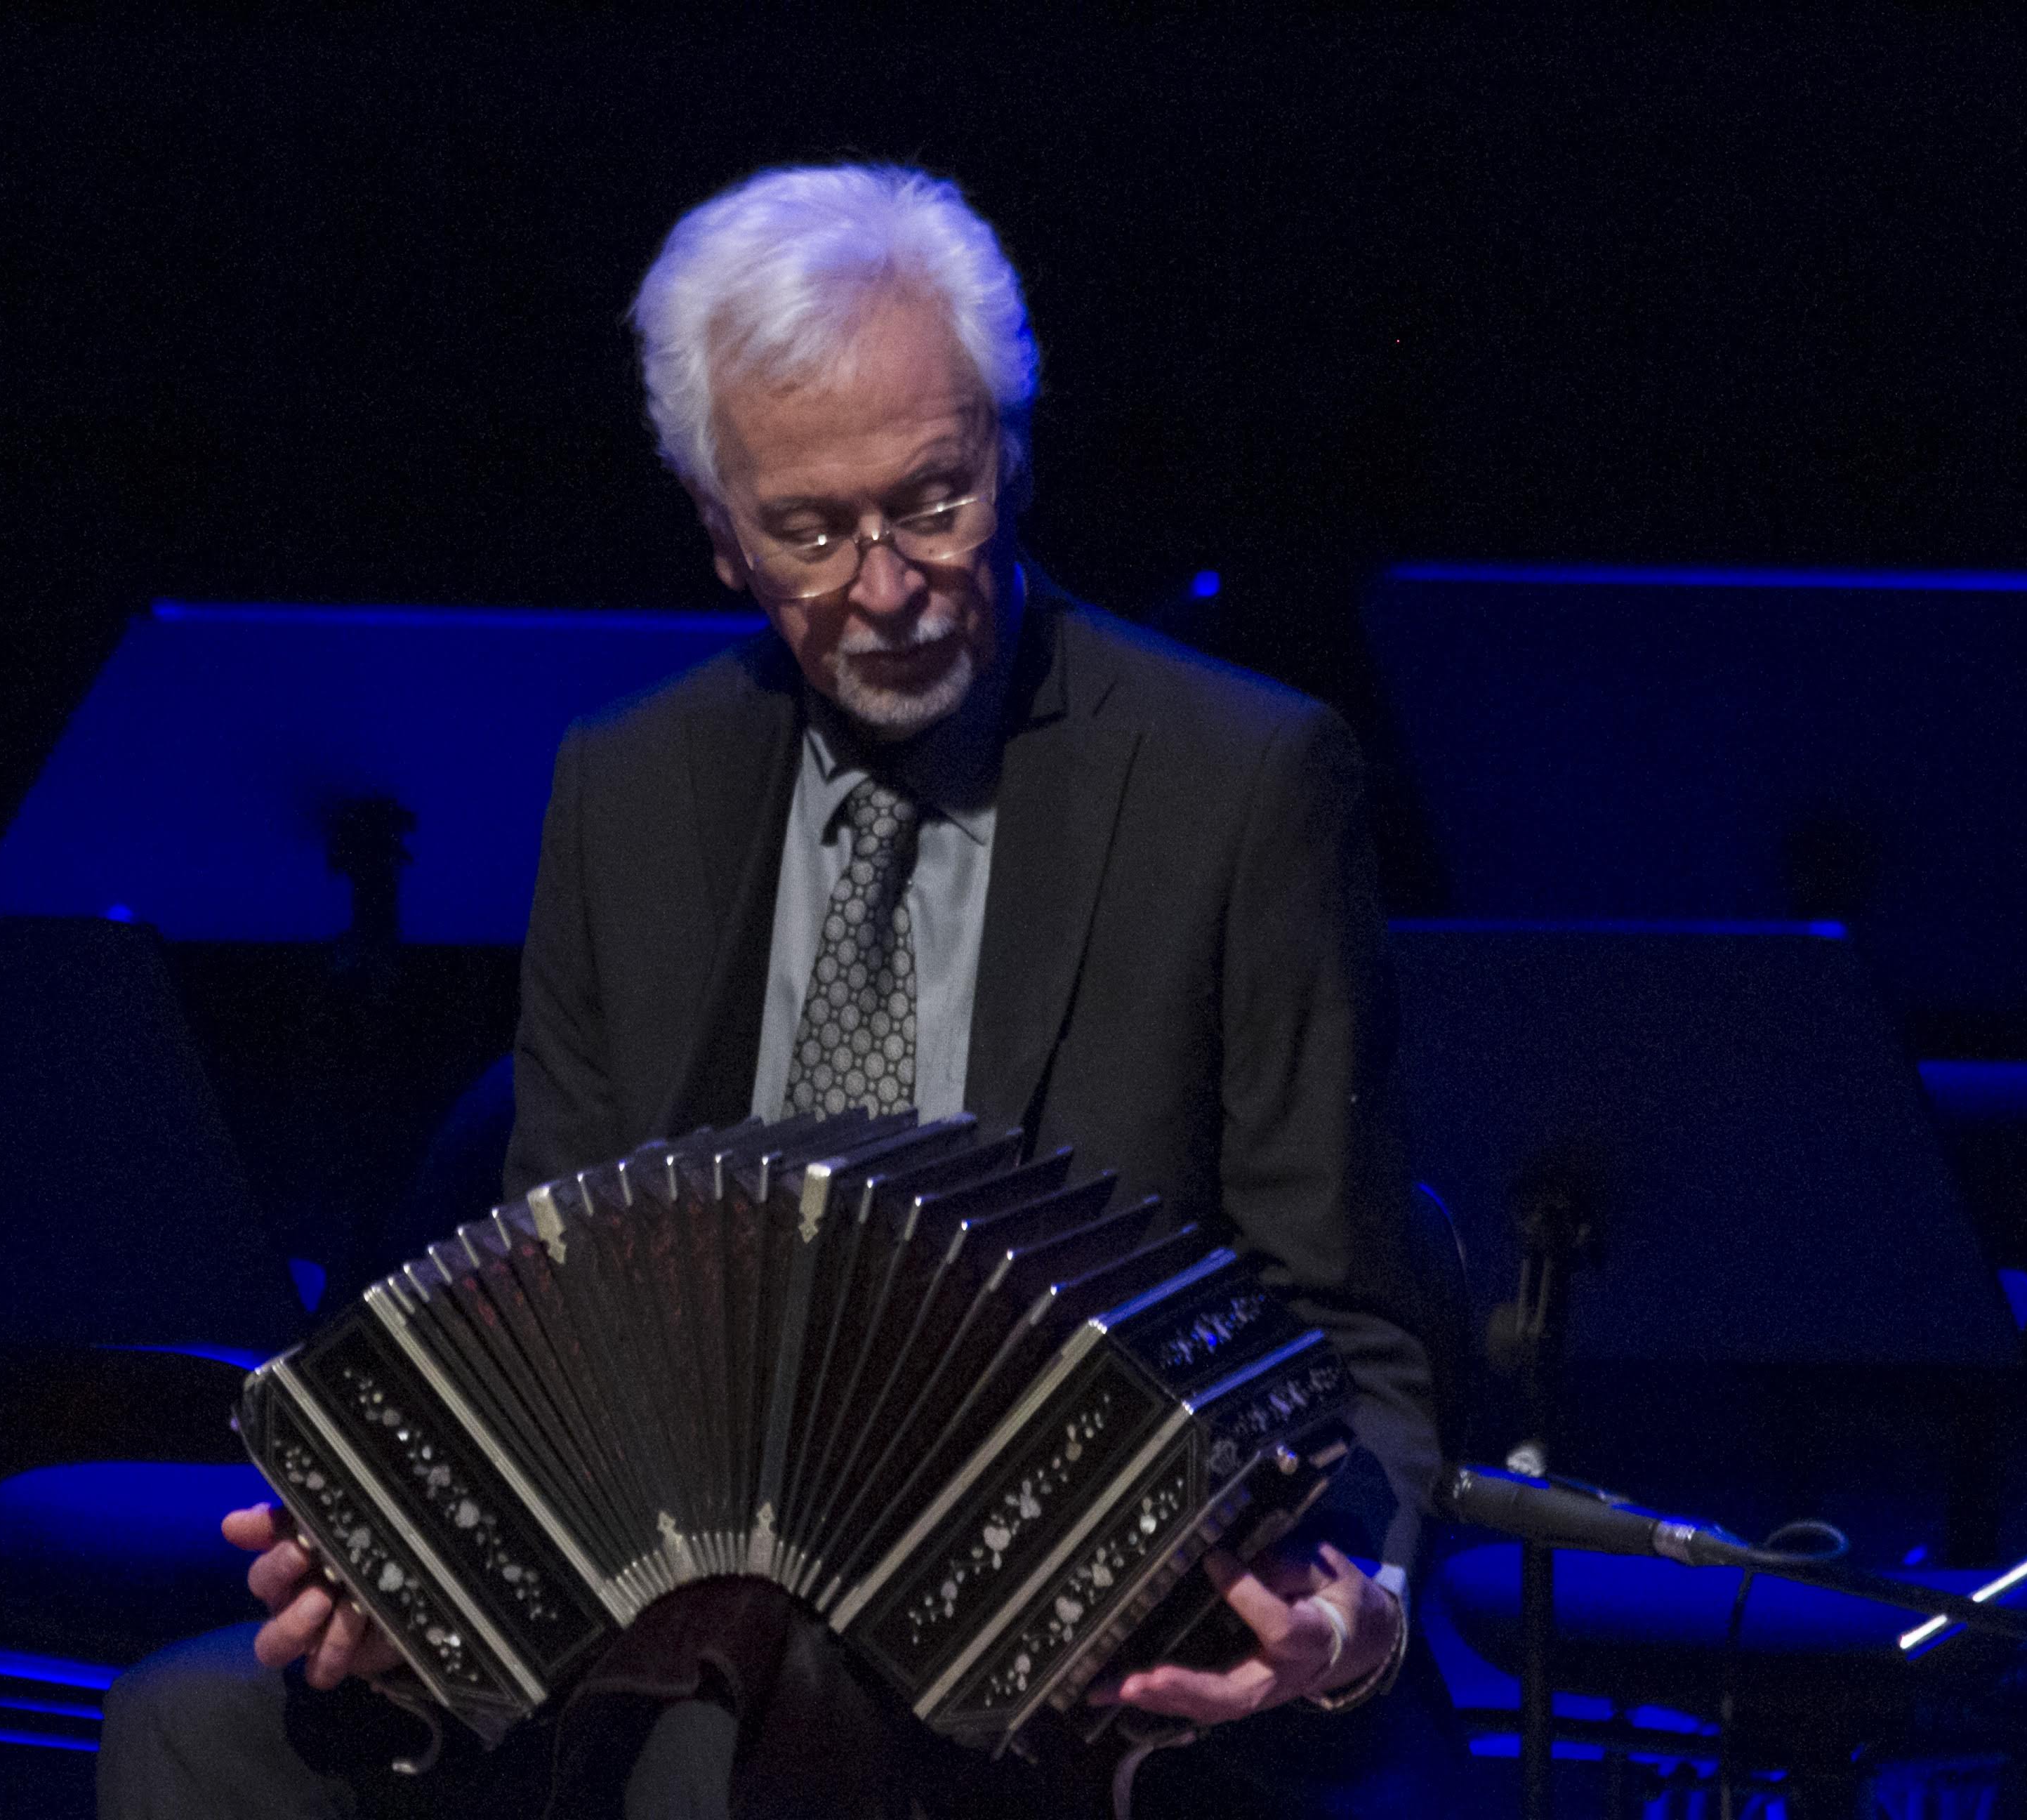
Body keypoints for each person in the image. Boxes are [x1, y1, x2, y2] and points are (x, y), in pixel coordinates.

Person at [103, 163, 1461, 1819]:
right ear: (719, 534)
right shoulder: (631, 788)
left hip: (1055, 1634)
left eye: (935, 501)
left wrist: (1353, 1608)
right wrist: (420, 1569)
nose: (887, 585)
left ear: (1010, 456)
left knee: (722, 1747)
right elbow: (553, 1315)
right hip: (678, 1588)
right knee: (194, 1725)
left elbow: (1349, 1325)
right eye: (810, 531)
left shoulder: (1242, 782)